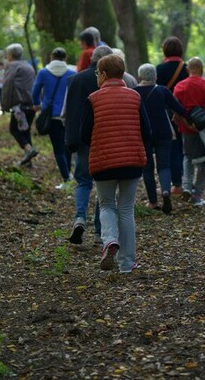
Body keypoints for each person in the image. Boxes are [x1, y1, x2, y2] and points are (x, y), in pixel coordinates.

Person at [80, 54, 150, 273]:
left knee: (107, 204)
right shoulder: (135, 97)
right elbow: (147, 132)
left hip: (103, 162)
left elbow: (84, 134)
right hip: (131, 161)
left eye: (97, 74)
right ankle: (127, 263)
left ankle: (109, 240)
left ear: (103, 74)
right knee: (127, 209)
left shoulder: (93, 99)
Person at [64, 45, 114, 245]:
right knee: (102, 183)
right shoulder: (107, 81)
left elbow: (70, 111)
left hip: (81, 139)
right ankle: (99, 230)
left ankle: (79, 218)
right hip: (102, 137)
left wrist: (70, 139)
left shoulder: (74, 79)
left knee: (83, 181)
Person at [135, 63, 186, 214]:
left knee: (147, 168)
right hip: (164, 132)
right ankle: (165, 192)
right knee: (164, 166)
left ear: (139, 77)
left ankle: (152, 201)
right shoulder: (162, 90)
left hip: (143, 134)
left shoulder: (134, 92)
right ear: (155, 77)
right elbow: (180, 109)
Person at [173, 57, 205, 207]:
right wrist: (202, 123)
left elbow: (176, 109)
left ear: (187, 70)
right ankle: (197, 195)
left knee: (188, 156)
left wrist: (188, 124)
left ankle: (186, 187)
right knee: (204, 161)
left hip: (187, 129)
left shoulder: (180, 86)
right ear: (202, 69)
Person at [32, 48, 76, 187]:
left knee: (58, 149)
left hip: (51, 115)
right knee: (67, 146)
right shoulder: (72, 73)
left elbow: (35, 90)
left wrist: (36, 104)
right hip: (68, 115)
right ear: (65, 58)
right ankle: (69, 174)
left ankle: (66, 179)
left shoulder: (44, 72)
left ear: (52, 57)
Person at [156, 37, 189, 196]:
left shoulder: (159, 69)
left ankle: (176, 184)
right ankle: (186, 182)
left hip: (166, 113)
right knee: (185, 148)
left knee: (172, 147)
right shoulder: (187, 68)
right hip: (185, 111)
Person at [1, 43, 38, 166]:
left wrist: (5, 105)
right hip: (31, 105)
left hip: (19, 107)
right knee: (25, 131)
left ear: (11, 55)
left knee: (14, 129)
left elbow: (7, 85)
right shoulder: (28, 65)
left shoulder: (11, 66)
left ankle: (29, 150)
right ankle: (29, 162)